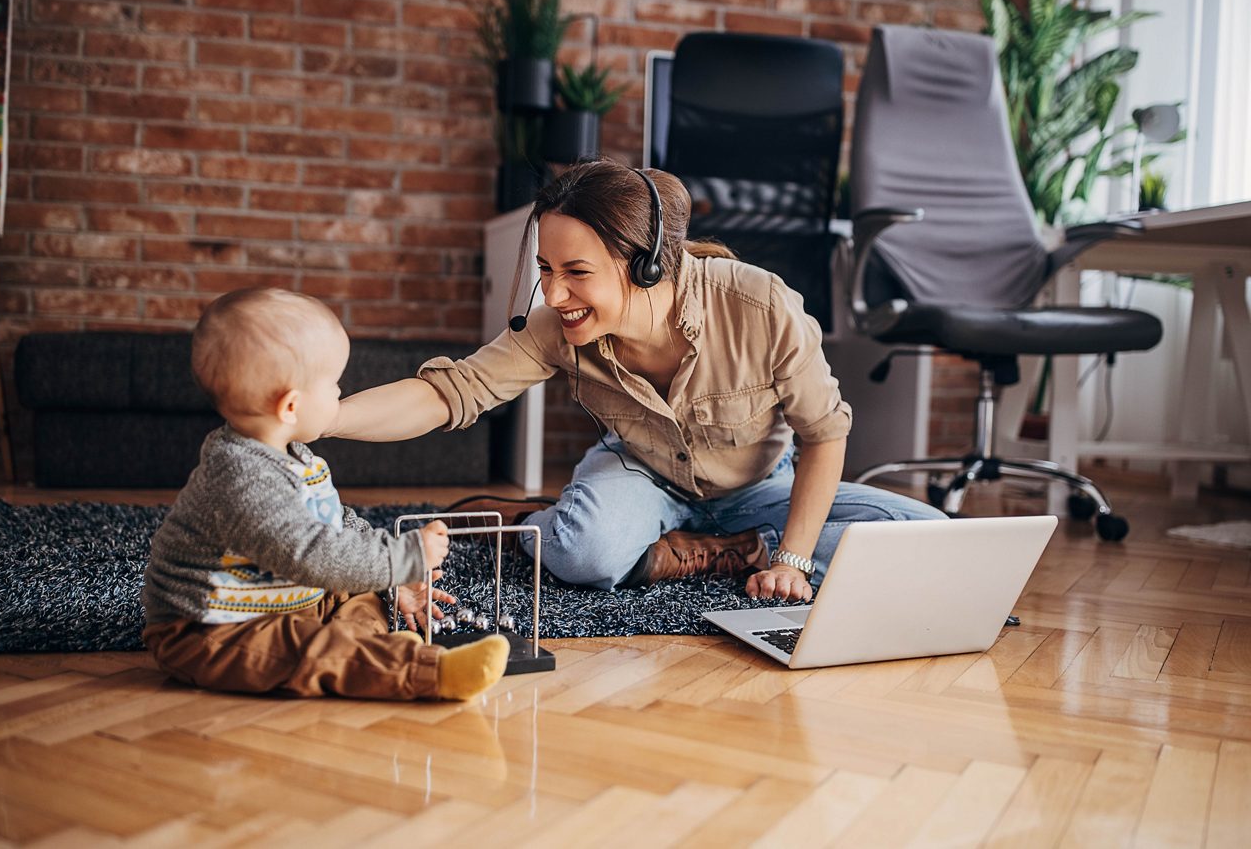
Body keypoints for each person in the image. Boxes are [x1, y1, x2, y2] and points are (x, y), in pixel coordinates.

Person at [327, 159, 946, 602]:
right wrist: (327, 419)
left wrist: (790, 558)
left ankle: (737, 547)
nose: (555, 293)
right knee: (583, 554)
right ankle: (542, 523)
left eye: (576, 272)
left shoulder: (761, 306)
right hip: (640, 472)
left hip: (761, 487)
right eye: (546, 269)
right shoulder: (555, 328)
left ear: (646, 265)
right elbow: (447, 394)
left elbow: (825, 434)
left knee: (927, 538)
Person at [141, 287, 508, 701]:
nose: (339, 394)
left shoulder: (294, 455)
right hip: (213, 626)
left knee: (364, 595)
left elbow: (335, 524)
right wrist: (404, 557)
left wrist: (393, 581)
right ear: (291, 407)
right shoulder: (240, 477)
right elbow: (311, 553)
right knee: (302, 652)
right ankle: (425, 671)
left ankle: (363, 642)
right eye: (333, 384)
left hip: (289, 595)